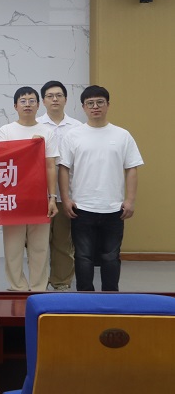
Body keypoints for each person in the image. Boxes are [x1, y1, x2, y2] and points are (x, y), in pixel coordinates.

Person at [59, 86, 143, 291]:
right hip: (82, 207)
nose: (95, 107)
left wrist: (130, 200)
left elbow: (131, 168)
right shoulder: (73, 135)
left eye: (100, 102)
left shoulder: (122, 135)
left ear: (108, 105)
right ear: (83, 107)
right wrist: (66, 199)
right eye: (90, 103)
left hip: (114, 208)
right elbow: (64, 168)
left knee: (111, 256)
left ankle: (111, 297)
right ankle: (85, 298)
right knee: (83, 256)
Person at [0, 86, 59, 292]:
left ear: (38, 105)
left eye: (32, 101)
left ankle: (39, 287)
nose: (27, 105)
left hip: (39, 198)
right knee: (12, 248)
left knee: (39, 247)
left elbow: (50, 166)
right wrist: (29, 147)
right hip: (13, 198)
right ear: (15, 106)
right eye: (23, 101)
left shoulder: (47, 132)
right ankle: (17, 287)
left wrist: (52, 197)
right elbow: (3, 161)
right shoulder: (6, 130)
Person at [37, 80, 83, 292]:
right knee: (38, 244)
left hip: (67, 194)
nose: (54, 99)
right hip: (39, 195)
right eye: (50, 96)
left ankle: (61, 283)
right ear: (43, 101)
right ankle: (39, 282)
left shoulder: (78, 128)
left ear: (65, 99)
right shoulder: (35, 125)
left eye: (58, 95)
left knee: (64, 243)